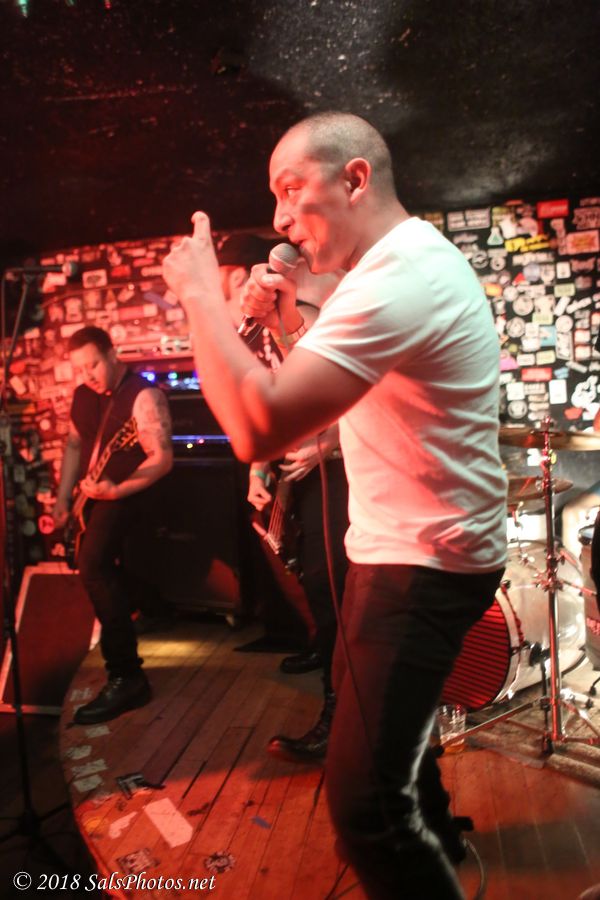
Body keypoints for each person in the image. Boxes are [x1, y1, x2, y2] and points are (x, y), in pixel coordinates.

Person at [163, 111, 507, 899]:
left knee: (365, 809)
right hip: (398, 547)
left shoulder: (399, 277)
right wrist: (286, 323)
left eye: (291, 189)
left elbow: (258, 426)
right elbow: (327, 392)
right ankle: (441, 841)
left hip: (422, 563)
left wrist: (200, 299)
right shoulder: (394, 266)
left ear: (355, 179)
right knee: (399, 750)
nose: (280, 218)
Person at [217, 231, 349, 762]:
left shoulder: (309, 321)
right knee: (305, 571)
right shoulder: (254, 337)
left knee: (329, 580)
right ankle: (325, 655)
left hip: (338, 468)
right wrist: (257, 467)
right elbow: (271, 406)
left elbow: (348, 396)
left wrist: (327, 443)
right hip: (297, 469)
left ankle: (340, 709)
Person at [53, 326, 173, 724]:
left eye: (93, 365)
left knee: (93, 566)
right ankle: (147, 609)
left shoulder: (143, 395)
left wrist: (117, 490)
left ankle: (127, 675)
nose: (87, 375)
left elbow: (162, 459)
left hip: (131, 494)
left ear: (113, 354)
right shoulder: (83, 395)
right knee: (99, 570)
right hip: (93, 498)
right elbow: (75, 445)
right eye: (80, 368)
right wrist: (63, 498)